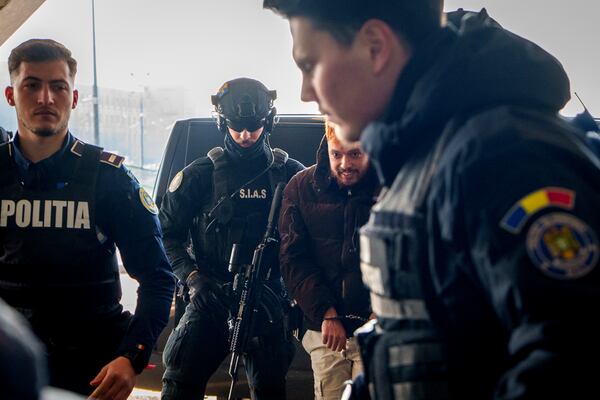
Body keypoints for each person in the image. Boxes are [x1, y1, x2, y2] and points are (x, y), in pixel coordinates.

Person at [264, 1, 600, 399]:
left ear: (375, 46)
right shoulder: (427, 156)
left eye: (310, 65)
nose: (305, 93)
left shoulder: (502, 154)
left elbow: (575, 353)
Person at [0, 39, 175, 400]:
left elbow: (157, 279)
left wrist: (131, 358)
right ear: (11, 95)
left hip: (91, 370)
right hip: (8, 364)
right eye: (31, 85)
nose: (46, 98)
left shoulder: (110, 179)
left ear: (74, 98)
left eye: (58, 87)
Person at [159, 77, 305, 400]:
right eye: (237, 127)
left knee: (269, 390)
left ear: (268, 122)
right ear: (222, 123)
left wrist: (293, 292)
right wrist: (192, 278)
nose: (245, 136)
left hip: (266, 303)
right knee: (178, 382)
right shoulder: (199, 176)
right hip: (210, 297)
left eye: (253, 127)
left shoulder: (292, 175)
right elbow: (167, 234)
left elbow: (312, 240)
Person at [278, 121, 378, 400]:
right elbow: (293, 259)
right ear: (327, 147)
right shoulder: (300, 187)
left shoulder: (389, 187)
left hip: (376, 327)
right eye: (337, 154)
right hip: (324, 329)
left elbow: (405, 257)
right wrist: (326, 312)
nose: (345, 163)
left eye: (355, 154)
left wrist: (383, 312)